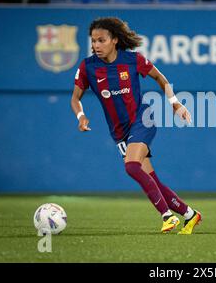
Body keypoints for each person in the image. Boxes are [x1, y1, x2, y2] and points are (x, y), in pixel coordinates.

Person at [71, 17, 202, 234]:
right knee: (152, 180)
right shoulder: (88, 67)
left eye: (101, 40)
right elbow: (75, 98)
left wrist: (174, 103)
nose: (95, 46)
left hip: (143, 119)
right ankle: (190, 214)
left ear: (114, 40)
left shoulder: (132, 60)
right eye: (93, 41)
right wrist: (81, 116)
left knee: (131, 166)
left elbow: (161, 78)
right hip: (120, 132)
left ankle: (167, 216)